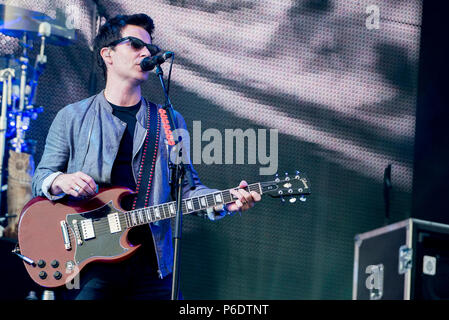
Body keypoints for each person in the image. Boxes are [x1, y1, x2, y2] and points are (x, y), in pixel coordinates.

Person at [31, 13, 261, 300]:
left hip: (151, 263)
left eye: (150, 48)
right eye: (135, 44)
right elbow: (40, 177)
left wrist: (225, 201)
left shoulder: (169, 120)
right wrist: (62, 181)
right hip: (88, 261)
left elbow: (187, 189)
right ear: (108, 54)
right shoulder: (72, 117)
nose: (146, 52)